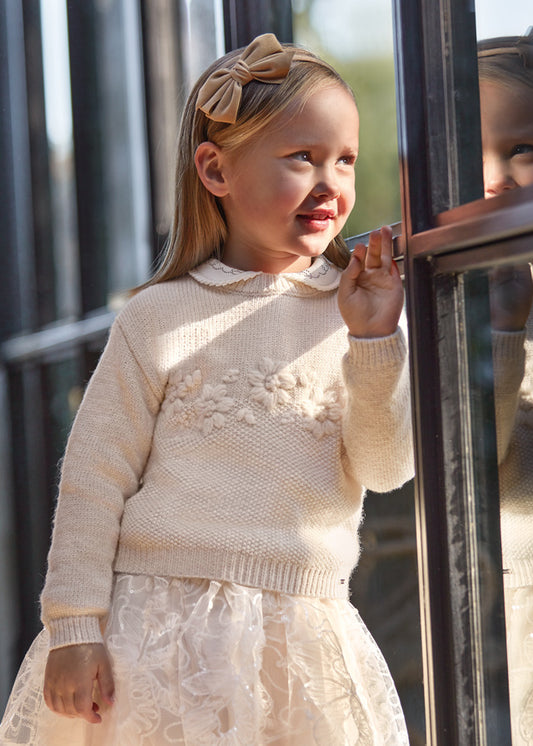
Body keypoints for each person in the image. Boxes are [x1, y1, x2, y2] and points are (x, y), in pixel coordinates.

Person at [0, 33, 413, 745]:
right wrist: (73, 627)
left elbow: (385, 468)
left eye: (345, 159)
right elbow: (94, 482)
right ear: (215, 170)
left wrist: (373, 342)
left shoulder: (356, 311)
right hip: (156, 636)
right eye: (302, 157)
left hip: (301, 640)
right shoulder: (158, 316)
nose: (331, 183)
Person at [478, 28, 533, 746]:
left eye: (521, 151)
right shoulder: (438, 303)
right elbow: (471, 467)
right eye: (472, 156)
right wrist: (501, 330)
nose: (494, 180)